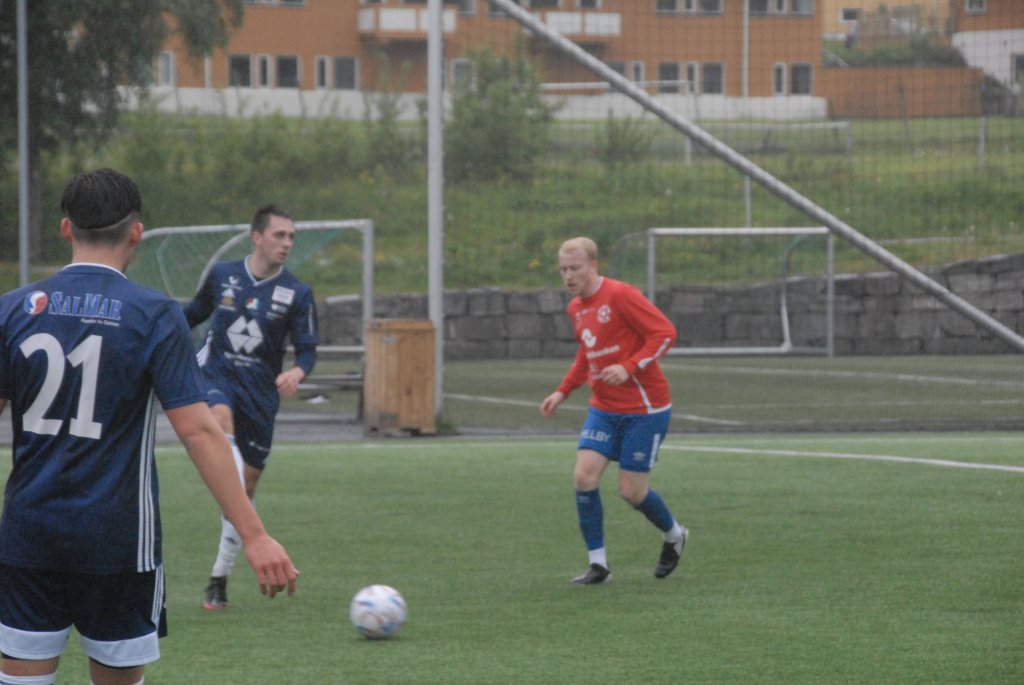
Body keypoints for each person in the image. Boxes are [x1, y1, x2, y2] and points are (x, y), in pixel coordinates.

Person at [0, 168, 298, 685]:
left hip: (29, 536)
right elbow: (199, 431)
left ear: (66, 229)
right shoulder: (155, 314)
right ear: (136, 232)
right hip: (117, 542)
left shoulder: (12, 309)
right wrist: (254, 535)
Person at [182, 204, 318, 610]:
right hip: (216, 376)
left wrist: (297, 372)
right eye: (279, 235)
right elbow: (192, 315)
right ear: (256, 237)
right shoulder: (223, 274)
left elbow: (308, 350)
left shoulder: (298, 293)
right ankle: (225, 466)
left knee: (245, 488)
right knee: (219, 418)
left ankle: (219, 576)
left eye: (291, 237)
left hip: (260, 396)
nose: (287, 243)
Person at [540, 237, 688, 585]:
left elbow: (665, 333)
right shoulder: (576, 308)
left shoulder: (621, 294)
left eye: (575, 268)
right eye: (563, 269)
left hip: (645, 408)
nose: (568, 276)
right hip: (604, 408)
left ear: (594, 265)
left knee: (631, 492)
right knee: (584, 477)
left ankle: (674, 535)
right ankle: (599, 565)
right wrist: (563, 390)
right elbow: (587, 352)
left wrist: (629, 366)